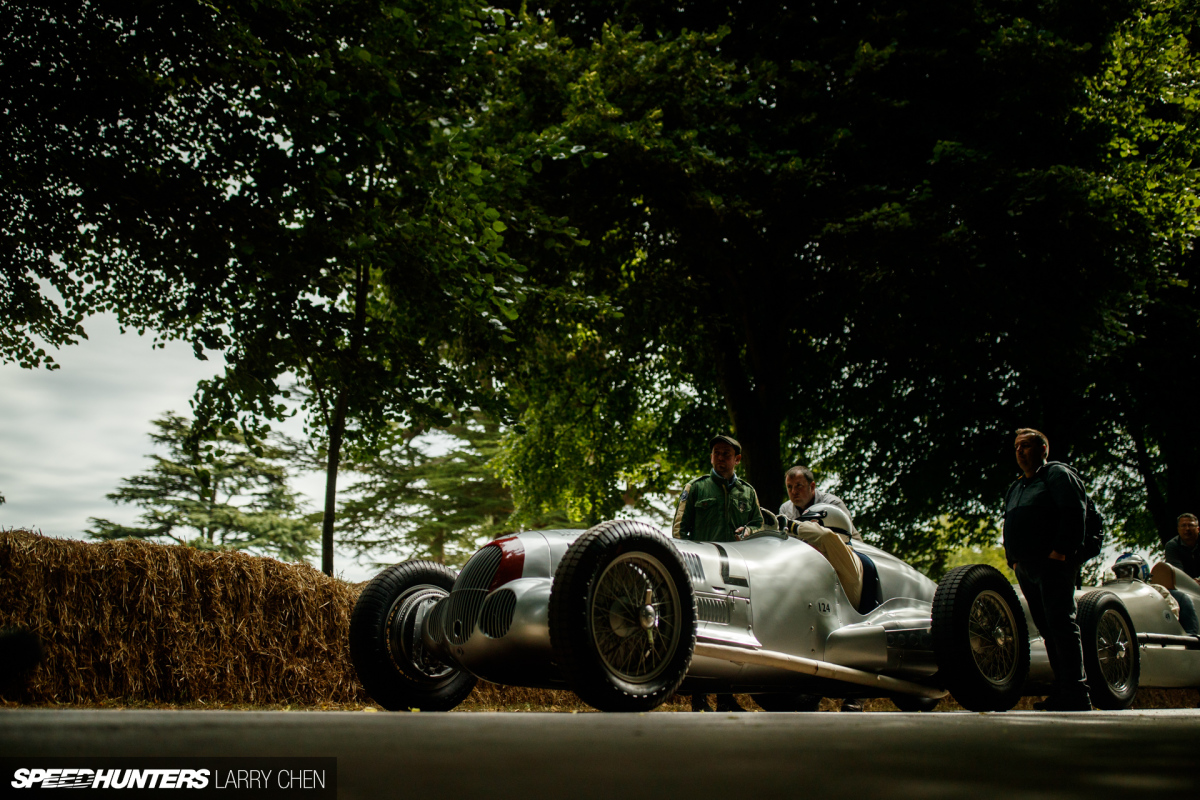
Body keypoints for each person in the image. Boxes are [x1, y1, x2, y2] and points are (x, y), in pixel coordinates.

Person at [672, 434, 764, 712]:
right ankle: (698, 698)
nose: (720, 458)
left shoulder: (747, 493)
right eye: (716, 453)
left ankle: (725, 699)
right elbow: (678, 531)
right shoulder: (697, 488)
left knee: (732, 634)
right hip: (702, 572)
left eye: (726, 454)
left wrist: (749, 531)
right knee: (700, 633)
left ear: (737, 459)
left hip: (736, 574)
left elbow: (759, 524)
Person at [1003, 428, 1091, 711]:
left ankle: (1077, 692)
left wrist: (1061, 551)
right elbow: (1009, 524)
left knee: (1062, 624)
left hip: (1053, 563)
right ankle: (1062, 691)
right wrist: (1012, 559)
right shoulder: (1016, 486)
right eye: (1017, 447)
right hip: (1025, 567)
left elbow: (1074, 512)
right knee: (1046, 627)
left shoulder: (1057, 475)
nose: (1020, 451)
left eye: (1026, 446)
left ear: (1043, 450)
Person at [778, 466, 862, 542]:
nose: (793, 491)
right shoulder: (785, 510)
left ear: (812, 486)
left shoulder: (833, 505)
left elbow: (849, 540)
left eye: (799, 486)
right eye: (789, 487)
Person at [1150, 513, 1200, 635]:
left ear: (1198, 528)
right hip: (1186, 586)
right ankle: (1190, 636)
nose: (1187, 529)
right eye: (1183, 526)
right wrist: (1193, 583)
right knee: (1180, 598)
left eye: (1190, 525)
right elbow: (1178, 573)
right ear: (1178, 529)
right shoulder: (1172, 546)